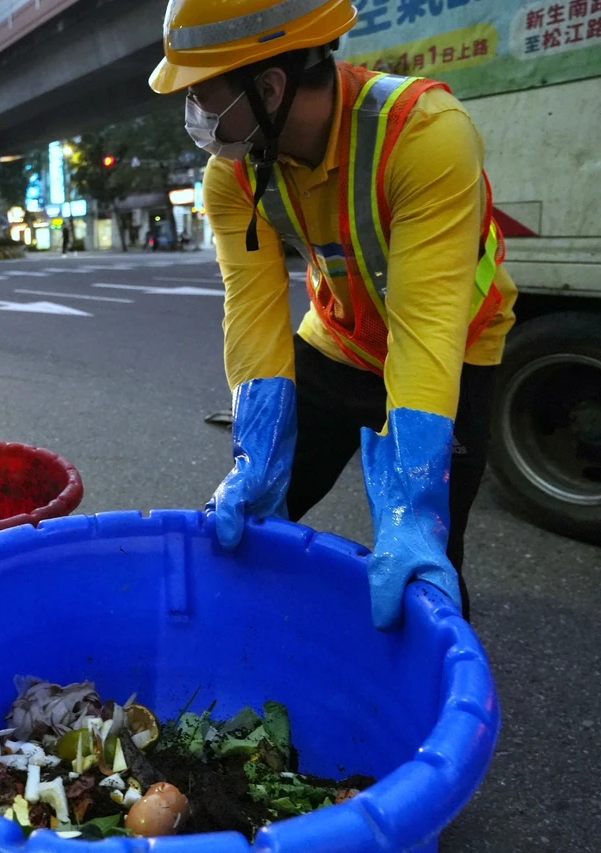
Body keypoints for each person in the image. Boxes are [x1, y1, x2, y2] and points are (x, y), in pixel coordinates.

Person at [150, 0, 518, 629]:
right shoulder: (233, 174)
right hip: (337, 343)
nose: (196, 116)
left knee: (423, 554)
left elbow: (426, 329)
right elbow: (253, 312)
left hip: (453, 353)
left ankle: (422, 692)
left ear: (267, 87)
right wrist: (255, 456)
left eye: (203, 94)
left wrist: (410, 504)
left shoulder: (423, 133)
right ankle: (236, 637)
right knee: (257, 517)